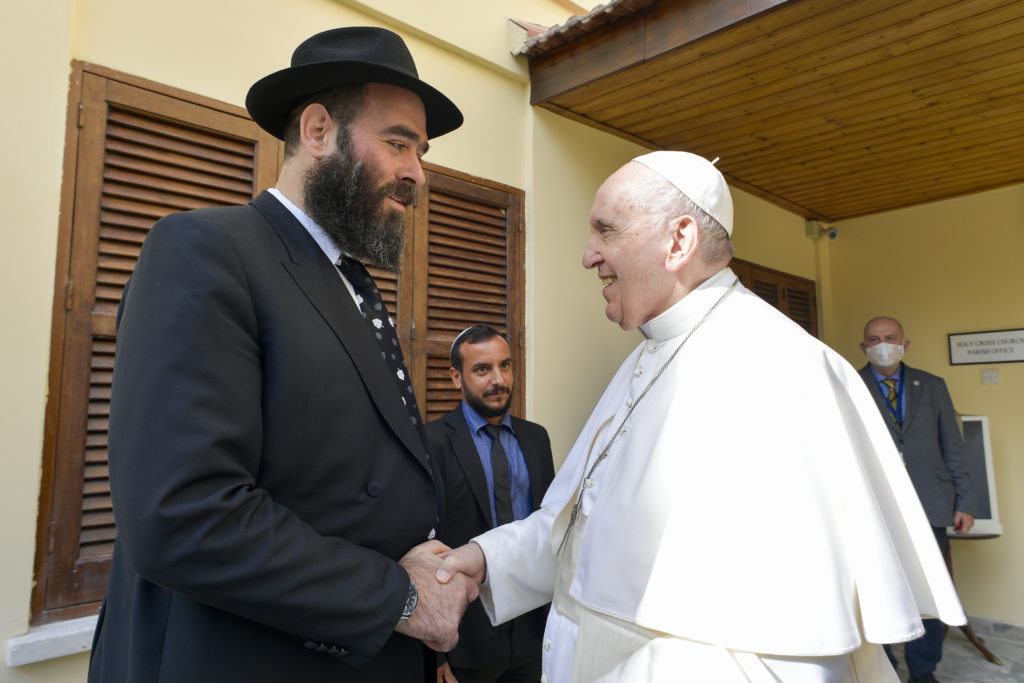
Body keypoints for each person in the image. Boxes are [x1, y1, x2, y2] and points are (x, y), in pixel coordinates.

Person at [436, 151, 968, 682]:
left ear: (679, 241)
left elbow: (780, 654)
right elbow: (583, 533)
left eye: (606, 230)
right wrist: (486, 560)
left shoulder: (780, 368)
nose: (588, 255)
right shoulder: (648, 356)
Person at [88, 27, 479, 682]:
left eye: (422, 150)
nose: (417, 171)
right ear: (320, 130)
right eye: (398, 142)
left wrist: (421, 647)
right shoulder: (204, 250)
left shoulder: (353, 285)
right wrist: (400, 599)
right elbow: (183, 513)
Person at [426, 325, 556, 683]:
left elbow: (550, 527)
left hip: (532, 633)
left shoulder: (536, 438)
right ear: (456, 377)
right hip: (465, 639)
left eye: (506, 365)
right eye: (483, 369)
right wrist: (436, 655)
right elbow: (424, 547)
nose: (499, 379)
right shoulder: (431, 442)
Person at [860, 316, 976, 683]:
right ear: (864, 347)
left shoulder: (933, 386)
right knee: (881, 588)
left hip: (931, 503)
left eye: (890, 337)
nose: (883, 344)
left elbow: (953, 447)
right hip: (874, 506)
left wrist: (965, 501)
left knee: (929, 591)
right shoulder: (851, 385)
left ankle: (923, 672)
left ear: (904, 344)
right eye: (875, 339)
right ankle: (886, 669)